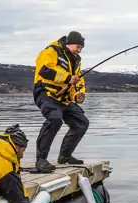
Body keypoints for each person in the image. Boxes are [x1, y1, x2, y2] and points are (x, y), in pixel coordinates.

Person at [33, 31, 89, 173]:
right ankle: (41, 159)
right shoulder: (51, 51)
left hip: (64, 98)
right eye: (78, 46)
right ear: (69, 43)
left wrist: (78, 94)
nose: (79, 50)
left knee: (81, 122)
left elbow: (78, 80)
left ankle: (65, 156)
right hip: (46, 93)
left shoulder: (76, 60)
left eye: (81, 48)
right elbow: (44, 70)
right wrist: (67, 78)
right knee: (54, 119)